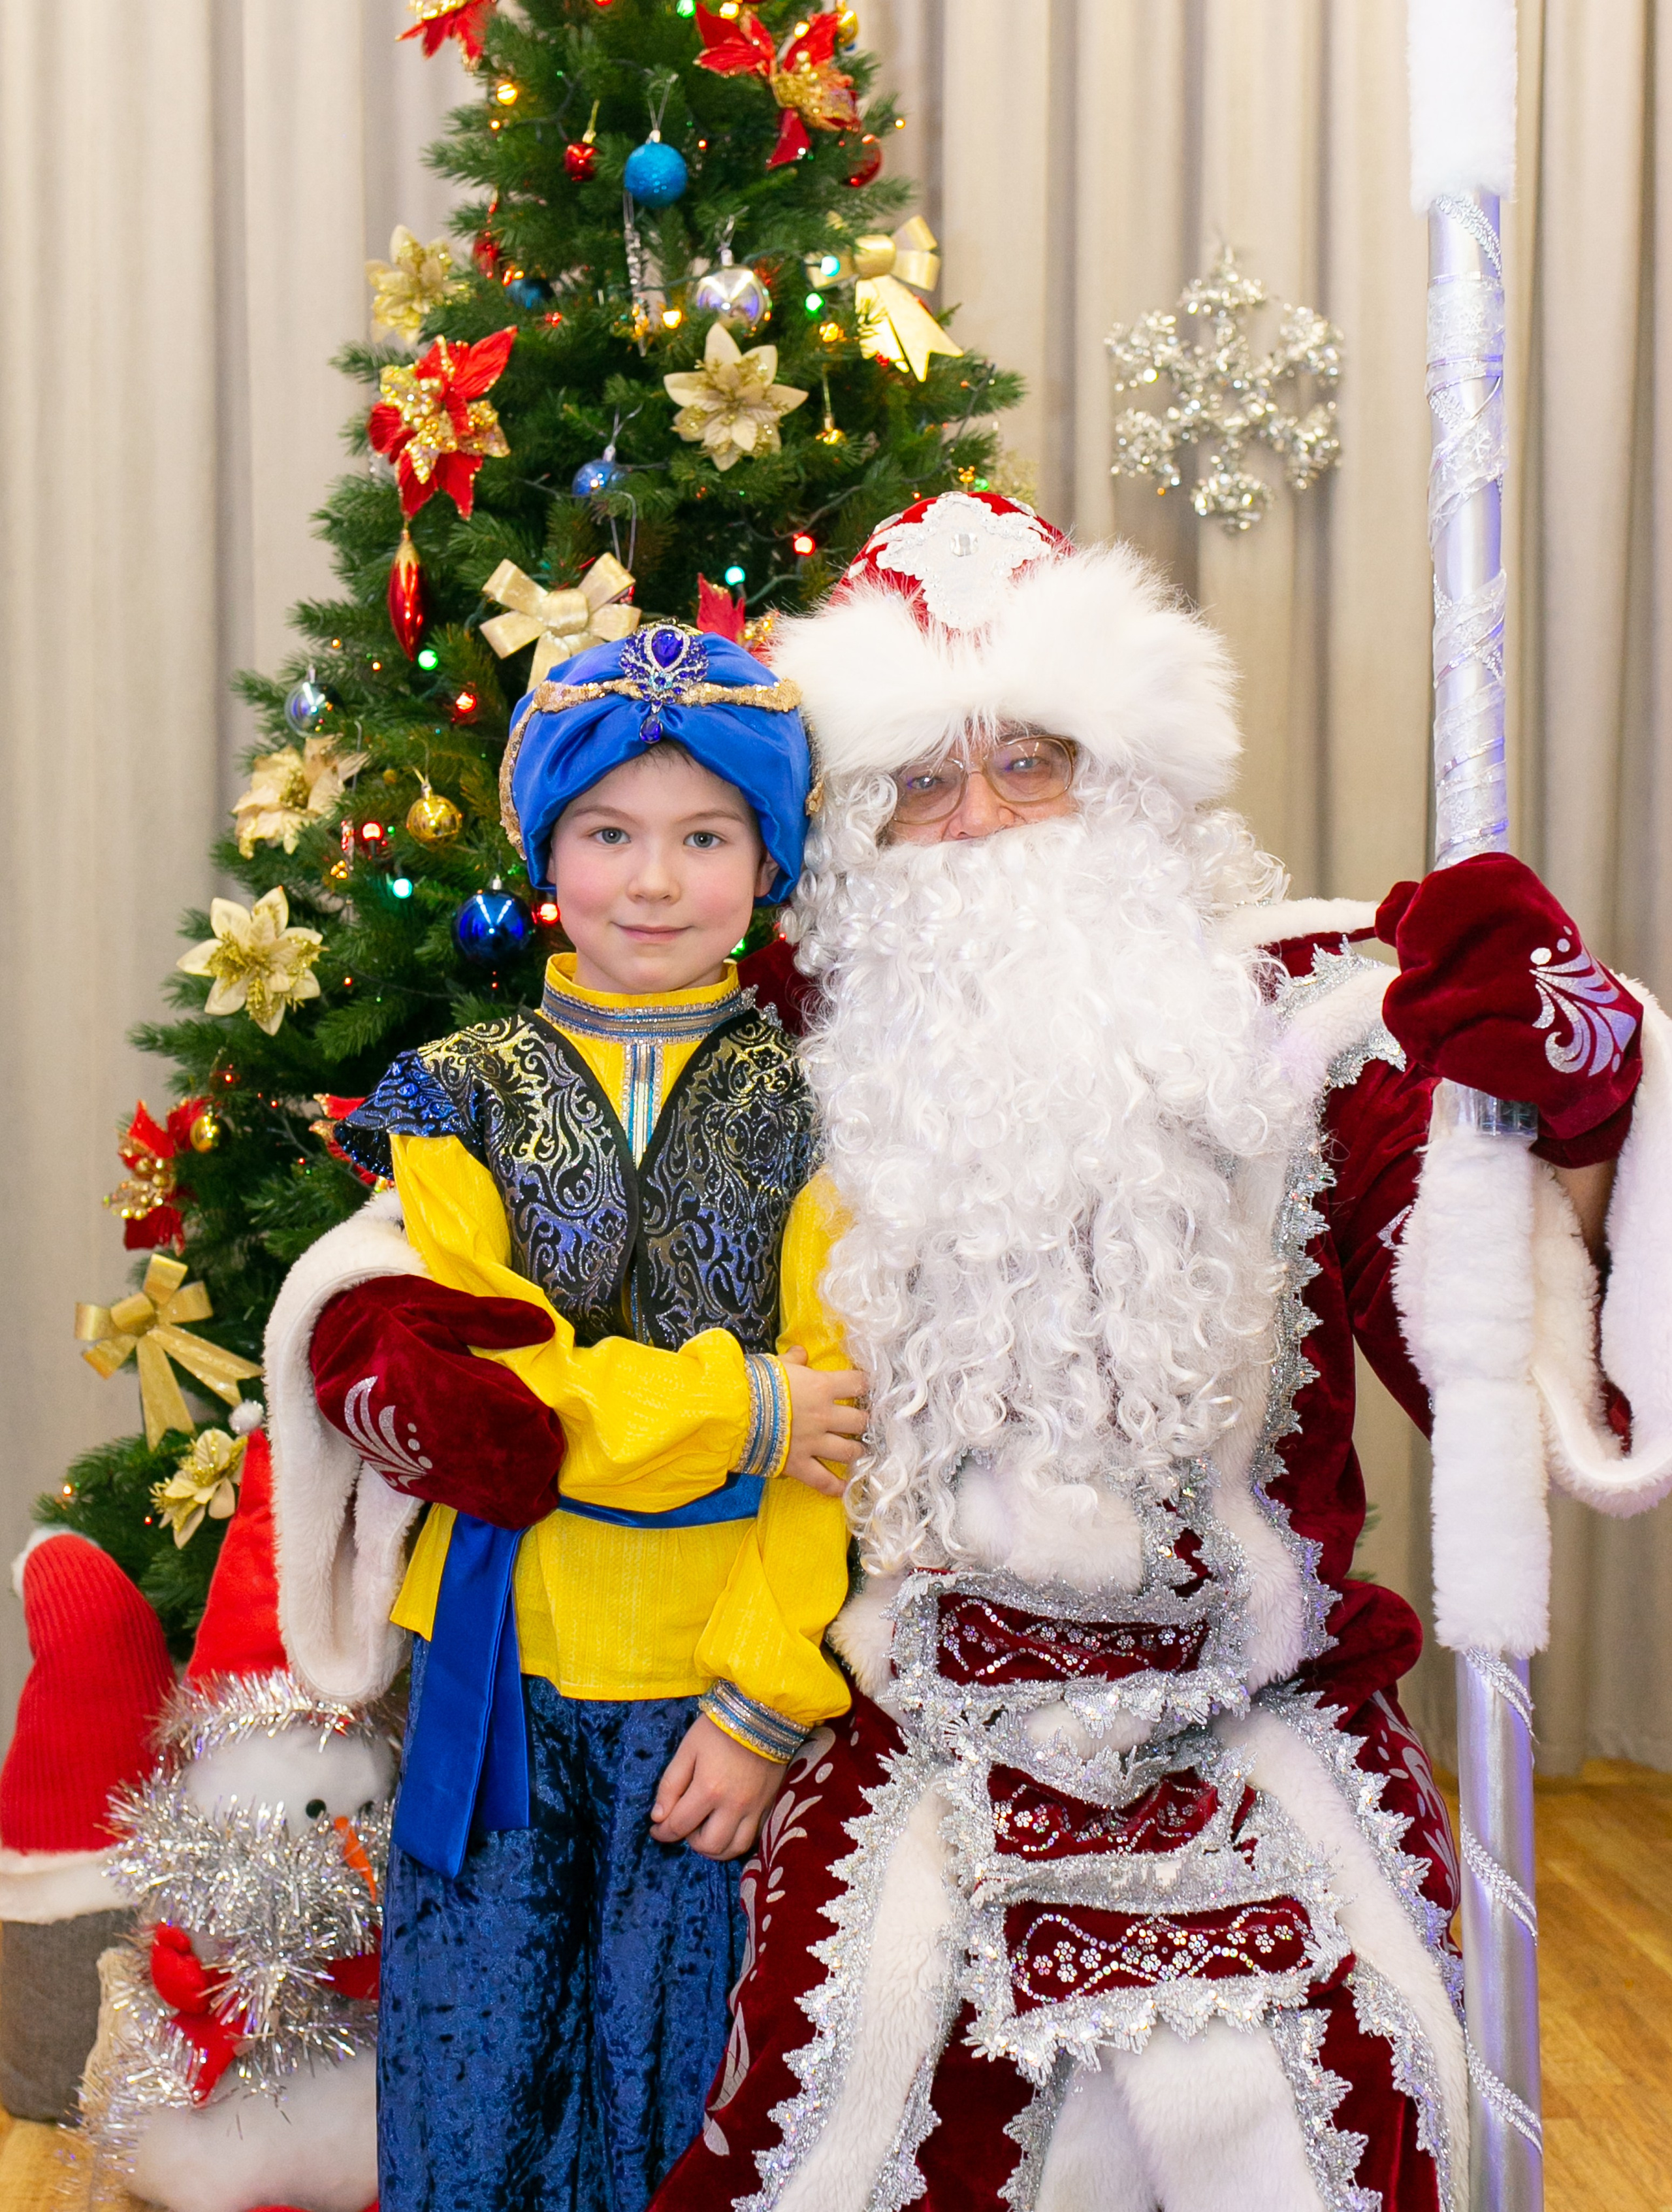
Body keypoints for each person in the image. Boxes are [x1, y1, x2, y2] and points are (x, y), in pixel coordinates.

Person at [647, 491, 1672, 2212]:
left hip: (1263, 1721)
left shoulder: (1307, 1020)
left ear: (1126, 777)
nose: (976, 824)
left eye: (1029, 761)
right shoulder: (779, 1068)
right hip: (918, 1732)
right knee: (844, 2094)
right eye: (918, 780)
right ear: (848, 837)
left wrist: (1566, 1100)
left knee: (1359, 2106)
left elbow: (1503, 1353)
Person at [263, 623, 861, 2212]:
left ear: (767, 859)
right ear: (547, 851)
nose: (652, 882)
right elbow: (493, 1396)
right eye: (609, 834)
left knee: (677, 2086)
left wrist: (761, 1697)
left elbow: (852, 1426)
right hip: (499, 1668)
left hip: (713, 1682)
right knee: (475, 2070)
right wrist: (742, 1407)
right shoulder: (450, 1096)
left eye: (702, 837)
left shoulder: (834, 1100)